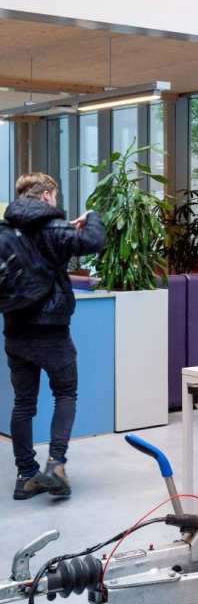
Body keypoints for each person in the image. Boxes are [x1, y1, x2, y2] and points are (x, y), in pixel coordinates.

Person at [4, 172, 105, 499]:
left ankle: (25, 474)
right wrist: (91, 217)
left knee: (23, 403)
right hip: (52, 332)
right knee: (66, 392)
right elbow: (94, 242)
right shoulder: (52, 227)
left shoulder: (6, 231)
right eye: (55, 196)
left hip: (16, 330)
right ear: (46, 195)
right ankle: (56, 465)